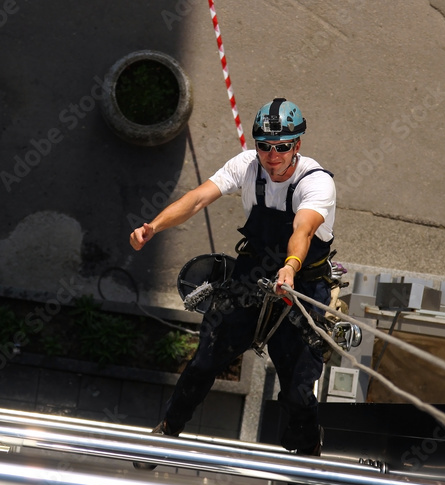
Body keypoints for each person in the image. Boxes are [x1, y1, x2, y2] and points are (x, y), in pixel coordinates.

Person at [129, 98, 336, 464]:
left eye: (282, 147)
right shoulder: (246, 166)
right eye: (264, 147)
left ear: (297, 146)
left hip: (301, 283)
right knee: (205, 360)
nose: (272, 156)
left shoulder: (316, 183)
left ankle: (306, 448)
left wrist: (289, 267)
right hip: (252, 274)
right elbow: (197, 199)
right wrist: (153, 227)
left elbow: (303, 230)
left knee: (298, 387)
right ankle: (168, 429)